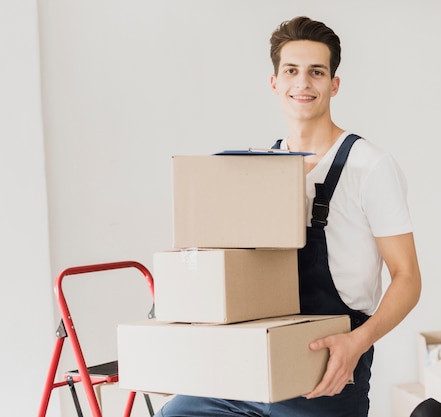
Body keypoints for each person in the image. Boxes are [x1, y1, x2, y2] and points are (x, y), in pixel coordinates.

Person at [155, 16, 422, 417]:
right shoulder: (260, 169)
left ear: (334, 84)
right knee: (176, 413)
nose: (303, 83)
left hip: (328, 367)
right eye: (291, 71)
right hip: (253, 361)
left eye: (316, 72)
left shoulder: (371, 166)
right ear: (275, 83)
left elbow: (408, 277)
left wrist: (358, 342)